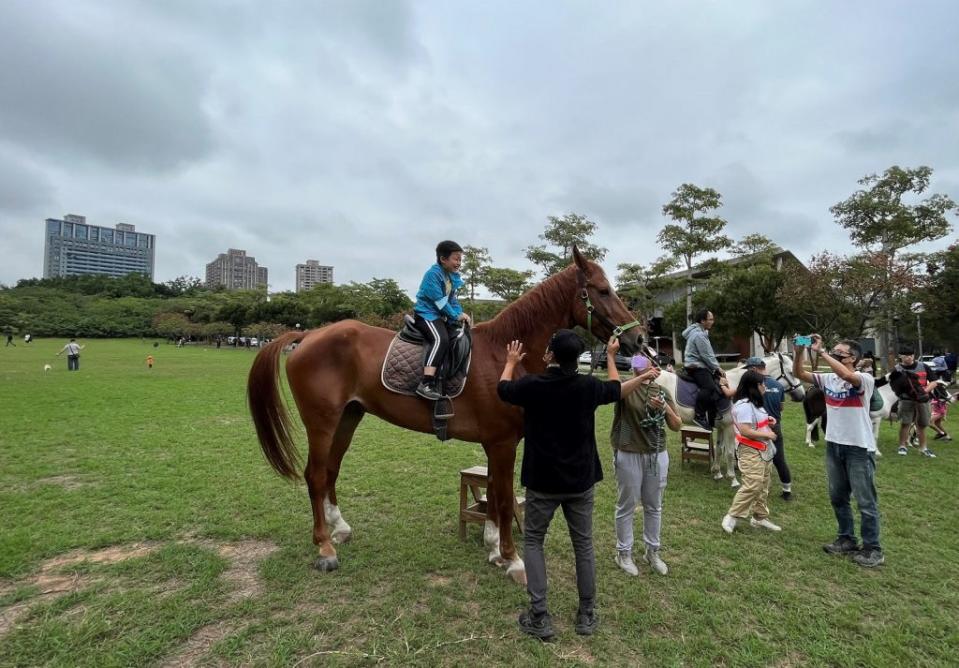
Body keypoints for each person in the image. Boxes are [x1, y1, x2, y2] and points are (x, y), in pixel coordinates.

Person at [498, 331, 644, 640]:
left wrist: (511, 362)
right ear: (577, 358)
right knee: (583, 544)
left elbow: (503, 389)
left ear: (549, 354)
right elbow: (617, 389)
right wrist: (610, 356)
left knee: (534, 541)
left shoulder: (532, 385)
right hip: (580, 482)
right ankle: (586, 614)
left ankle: (539, 616)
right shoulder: (588, 386)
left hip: (541, 482)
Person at [794, 335, 883, 568]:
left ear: (853, 358)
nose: (833, 354)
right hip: (834, 445)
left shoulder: (864, 379)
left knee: (865, 501)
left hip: (859, 448)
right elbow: (800, 375)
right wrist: (798, 352)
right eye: (832, 351)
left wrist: (821, 352)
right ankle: (846, 539)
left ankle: (873, 548)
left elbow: (846, 375)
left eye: (838, 352)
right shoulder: (828, 379)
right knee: (837, 496)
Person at [610, 354, 681, 577]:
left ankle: (652, 552)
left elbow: (677, 425)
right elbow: (616, 390)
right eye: (636, 360)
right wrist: (612, 356)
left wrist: (664, 408)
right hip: (629, 452)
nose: (640, 362)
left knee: (654, 505)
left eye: (645, 360)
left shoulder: (661, 391)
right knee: (626, 505)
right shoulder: (625, 387)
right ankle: (624, 553)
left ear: (653, 365)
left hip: (656, 454)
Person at [721, 370, 781, 534]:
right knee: (753, 484)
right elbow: (746, 431)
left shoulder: (754, 403)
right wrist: (767, 434)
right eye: (762, 383)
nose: (765, 386)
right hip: (750, 450)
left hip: (764, 450)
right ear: (754, 386)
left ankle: (759, 517)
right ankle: (732, 516)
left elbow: (756, 422)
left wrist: (768, 420)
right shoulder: (744, 406)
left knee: (763, 485)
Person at [413, 240, 470, 400]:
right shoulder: (433, 274)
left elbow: (452, 300)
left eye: (460, 259)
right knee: (440, 339)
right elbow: (440, 302)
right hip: (427, 315)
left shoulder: (449, 277)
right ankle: (426, 383)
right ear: (443, 259)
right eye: (456, 259)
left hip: (440, 316)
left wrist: (460, 313)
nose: (459, 263)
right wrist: (455, 315)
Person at [745, 357, 793, 500]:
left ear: (753, 369)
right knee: (779, 458)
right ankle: (787, 490)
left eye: (748, 369)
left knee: (754, 458)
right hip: (775, 426)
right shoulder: (779, 385)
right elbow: (781, 407)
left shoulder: (753, 385)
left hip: (757, 427)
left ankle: (754, 488)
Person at [682, 309, 732, 430]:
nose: (712, 322)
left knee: (715, 383)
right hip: (697, 367)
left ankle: (712, 416)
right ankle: (699, 415)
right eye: (710, 319)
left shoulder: (697, 330)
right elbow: (707, 355)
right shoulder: (699, 335)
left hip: (694, 365)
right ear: (703, 321)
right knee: (709, 387)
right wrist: (717, 367)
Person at [890, 345, 936, 458]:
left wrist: (925, 391)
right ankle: (902, 446)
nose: (909, 358)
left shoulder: (923, 366)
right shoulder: (897, 369)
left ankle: (923, 448)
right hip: (906, 400)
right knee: (905, 423)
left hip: (923, 400)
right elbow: (894, 386)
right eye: (906, 356)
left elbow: (934, 381)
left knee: (922, 424)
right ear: (900, 357)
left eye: (911, 355)